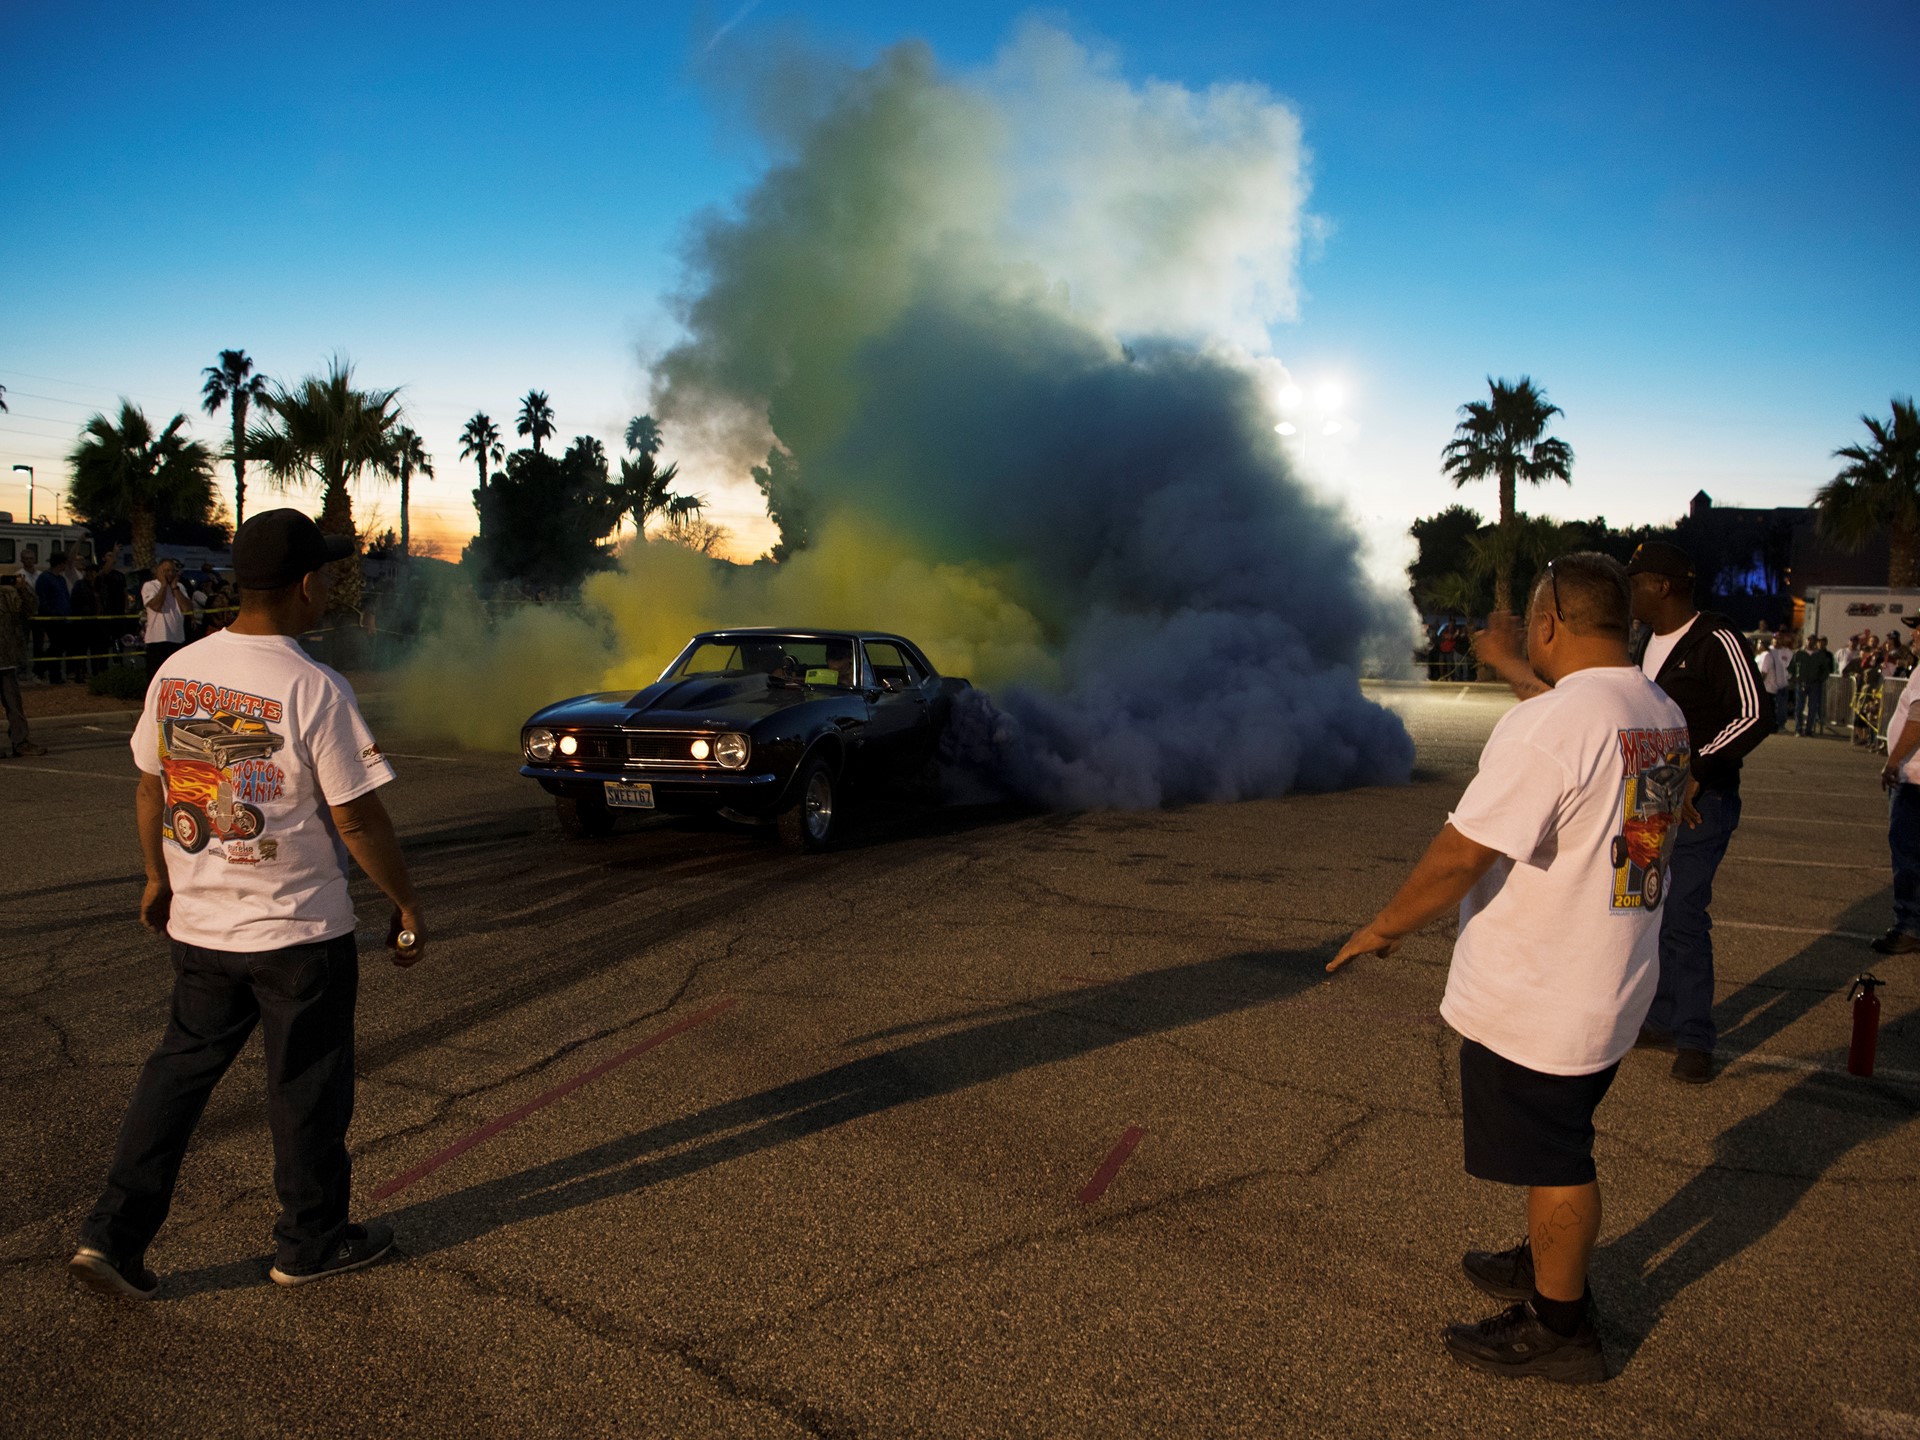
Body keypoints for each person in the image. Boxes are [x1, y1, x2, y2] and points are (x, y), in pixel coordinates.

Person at [1335, 553, 1689, 1383]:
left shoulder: (1552, 725)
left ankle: (1561, 1327)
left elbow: (1462, 854)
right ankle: (1544, 1261)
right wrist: (1508, 672)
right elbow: (1591, 761)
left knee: (1557, 1156)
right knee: (1554, 1142)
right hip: (1611, 976)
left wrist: (1382, 929)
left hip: (1546, 994)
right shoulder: (1653, 704)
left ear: (1548, 623)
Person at [69, 509, 427, 1303]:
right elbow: (357, 818)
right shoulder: (315, 687)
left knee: (175, 1078)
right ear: (305, 585)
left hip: (202, 932)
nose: (332, 589)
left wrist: (158, 878)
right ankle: (310, 1242)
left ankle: (112, 1238)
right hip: (299, 937)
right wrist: (405, 901)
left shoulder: (178, 671)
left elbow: (151, 786)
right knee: (306, 1088)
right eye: (328, 577)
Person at [1625, 541, 1767, 1083]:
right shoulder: (1645, 642)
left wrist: (1700, 769)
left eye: (1635, 581)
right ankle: (1659, 1018)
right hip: (1652, 798)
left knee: (1683, 913)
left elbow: (1755, 714)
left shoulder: (1716, 637)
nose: (1629, 591)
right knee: (1650, 909)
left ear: (1662, 585)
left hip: (1701, 803)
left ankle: (1694, 1036)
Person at [1, 570, 46, 757]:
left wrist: (22, 588)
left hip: (7, 659)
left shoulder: (10, 595)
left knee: (14, 705)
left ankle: (21, 742)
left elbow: (31, 608)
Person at [140, 558, 190, 684]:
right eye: (166, 570)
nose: (170, 574)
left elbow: (187, 608)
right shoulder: (150, 586)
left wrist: (175, 589)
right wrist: (163, 585)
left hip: (177, 637)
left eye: (173, 571)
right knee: (155, 677)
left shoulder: (180, 587)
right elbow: (156, 606)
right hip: (157, 638)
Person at [35, 549, 75, 684]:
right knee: (57, 645)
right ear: (60, 564)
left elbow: (64, 597)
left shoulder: (61, 579)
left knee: (60, 646)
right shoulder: (45, 579)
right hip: (52, 618)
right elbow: (43, 599)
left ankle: (53, 673)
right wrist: (50, 613)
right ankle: (44, 669)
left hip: (63, 617)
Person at [1799, 636, 1835, 736]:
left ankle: (1809, 729)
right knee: (1800, 707)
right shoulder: (1800, 653)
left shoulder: (1820, 655)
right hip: (1802, 682)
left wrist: (1820, 679)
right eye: (1809, 640)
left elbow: (1826, 669)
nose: (1811, 643)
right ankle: (1799, 729)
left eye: (1813, 641)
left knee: (1813, 707)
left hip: (1815, 684)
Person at [1758, 631, 1793, 730]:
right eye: (1775, 639)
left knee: (1782, 707)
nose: (1777, 641)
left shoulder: (1787, 652)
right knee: (1771, 706)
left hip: (1783, 683)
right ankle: (1772, 724)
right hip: (1771, 684)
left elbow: (1791, 667)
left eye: (1779, 639)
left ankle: (1781, 724)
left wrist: (1789, 678)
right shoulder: (1769, 652)